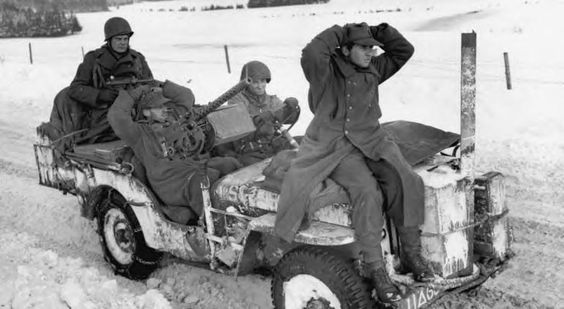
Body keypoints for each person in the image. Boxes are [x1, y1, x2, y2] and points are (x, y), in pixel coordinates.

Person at [274, 22, 433, 304]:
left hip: (372, 140)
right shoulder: (325, 71)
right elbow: (312, 52)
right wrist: (341, 29)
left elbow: (403, 50)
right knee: (367, 192)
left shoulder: (372, 69)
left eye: (372, 47)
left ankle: (411, 252)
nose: (371, 52)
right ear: (345, 49)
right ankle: (377, 270)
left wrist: (376, 30)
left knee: (407, 179)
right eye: (363, 47)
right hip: (336, 146)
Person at [108, 81, 242, 224]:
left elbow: (186, 96)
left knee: (230, 164)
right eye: (159, 108)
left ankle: (243, 210)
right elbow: (116, 116)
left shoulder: (174, 119)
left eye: (165, 106)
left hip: (190, 167)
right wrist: (137, 92)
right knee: (201, 181)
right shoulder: (139, 134)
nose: (165, 110)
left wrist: (160, 85)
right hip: (168, 181)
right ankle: (216, 226)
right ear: (146, 111)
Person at [68, 16, 154, 143]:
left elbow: (149, 84)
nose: (123, 43)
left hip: (135, 111)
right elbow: (75, 89)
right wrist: (100, 95)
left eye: (125, 39)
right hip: (105, 114)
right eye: (118, 39)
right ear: (109, 40)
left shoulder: (137, 59)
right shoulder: (94, 60)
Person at [213, 61, 300, 166]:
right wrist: (260, 118)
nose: (260, 86)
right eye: (255, 82)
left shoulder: (271, 100)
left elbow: (287, 118)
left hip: (273, 144)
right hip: (250, 149)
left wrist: (290, 109)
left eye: (263, 81)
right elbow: (240, 125)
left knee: (305, 145)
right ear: (247, 83)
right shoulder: (237, 100)